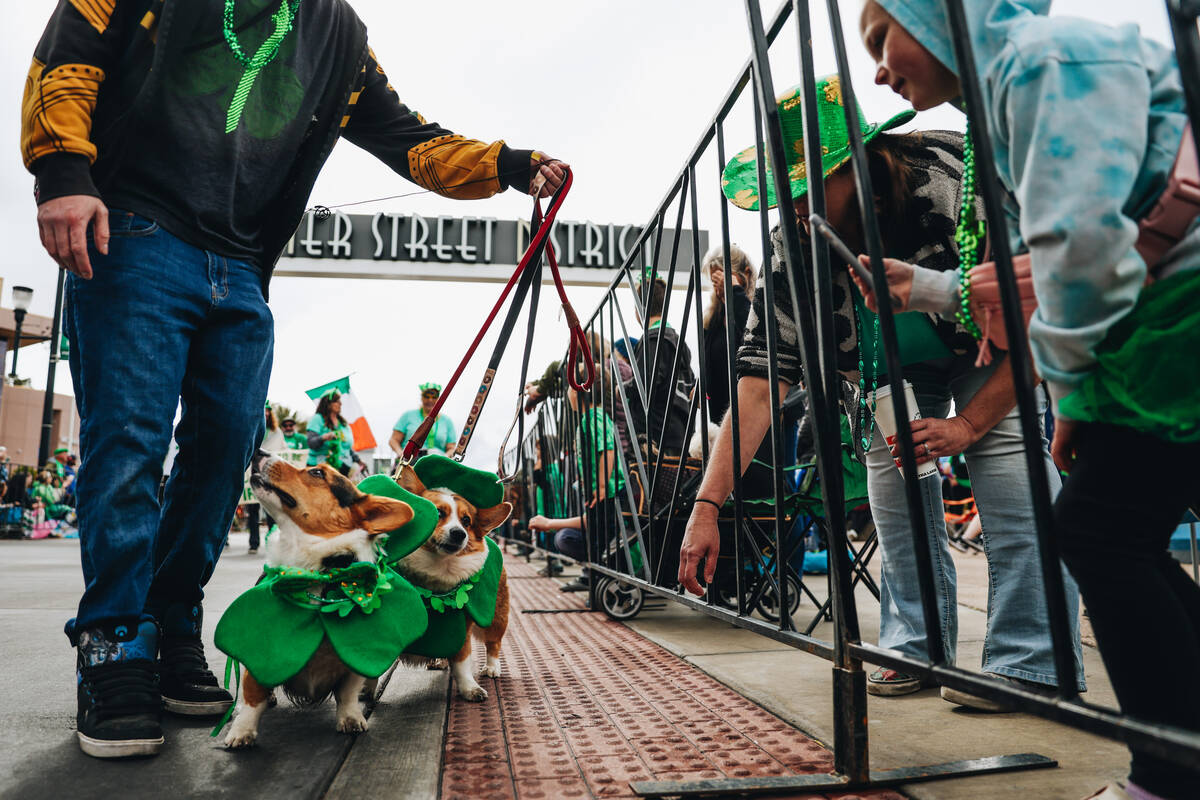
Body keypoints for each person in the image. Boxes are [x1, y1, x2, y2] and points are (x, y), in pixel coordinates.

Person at [23, 0, 568, 759]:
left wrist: (508, 165)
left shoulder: (340, 34)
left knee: (223, 454)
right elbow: (73, 48)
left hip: (243, 268)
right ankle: (114, 646)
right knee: (129, 442)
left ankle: (172, 626)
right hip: (136, 225)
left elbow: (411, 141)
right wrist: (61, 168)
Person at [857, 2, 1200, 796]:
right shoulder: (1011, 91)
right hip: (1164, 311)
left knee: (1101, 531)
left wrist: (1076, 390)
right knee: (1120, 529)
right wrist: (932, 289)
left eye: (882, 36)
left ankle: (1169, 771)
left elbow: (1081, 252)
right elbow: (1049, 269)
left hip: (1176, 314)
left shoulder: (1037, 64)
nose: (876, 67)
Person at [678, 75, 1084, 707]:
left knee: (1010, 467)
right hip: (883, 365)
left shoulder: (952, 183)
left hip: (994, 339)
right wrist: (707, 507)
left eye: (808, 187)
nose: (793, 208)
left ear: (858, 165)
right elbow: (758, 386)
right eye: (783, 194)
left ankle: (1032, 662)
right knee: (892, 481)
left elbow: (1041, 318)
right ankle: (916, 646)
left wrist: (968, 426)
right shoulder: (792, 248)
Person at [529, 362, 627, 592]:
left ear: (578, 390)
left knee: (569, 537)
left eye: (570, 387)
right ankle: (599, 571)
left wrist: (602, 485)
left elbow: (608, 449)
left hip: (610, 492)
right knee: (584, 531)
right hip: (601, 492)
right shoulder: (592, 417)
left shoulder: (593, 417)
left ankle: (606, 570)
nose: (567, 392)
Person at [630, 277, 697, 457]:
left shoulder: (653, 339)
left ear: (639, 309)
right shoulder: (679, 342)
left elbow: (644, 384)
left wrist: (622, 389)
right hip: (680, 434)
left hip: (656, 438)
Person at [245, 403, 283, 554]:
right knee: (252, 511)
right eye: (263, 410)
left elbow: (281, 449)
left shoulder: (276, 432)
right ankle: (254, 543)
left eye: (268, 411)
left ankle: (272, 542)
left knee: (271, 511)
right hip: (253, 472)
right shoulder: (251, 428)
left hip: (269, 474)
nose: (265, 413)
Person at [390, 383, 457, 458]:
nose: (430, 400)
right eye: (426, 397)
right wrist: (401, 453)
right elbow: (393, 440)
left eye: (434, 397)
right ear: (421, 398)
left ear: (438, 399)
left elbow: (451, 448)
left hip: (436, 462)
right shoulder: (408, 416)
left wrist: (445, 456)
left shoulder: (447, 421)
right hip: (410, 460)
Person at [307, 390, 363, 476]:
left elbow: (347, 447)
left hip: (343, 468)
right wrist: (324, 437)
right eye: (337, 401)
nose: (340, 404)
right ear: (328, 403)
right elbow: (311, 443)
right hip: (321, 468)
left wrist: (359, 461)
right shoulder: (317, 419)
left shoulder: (343, 423)